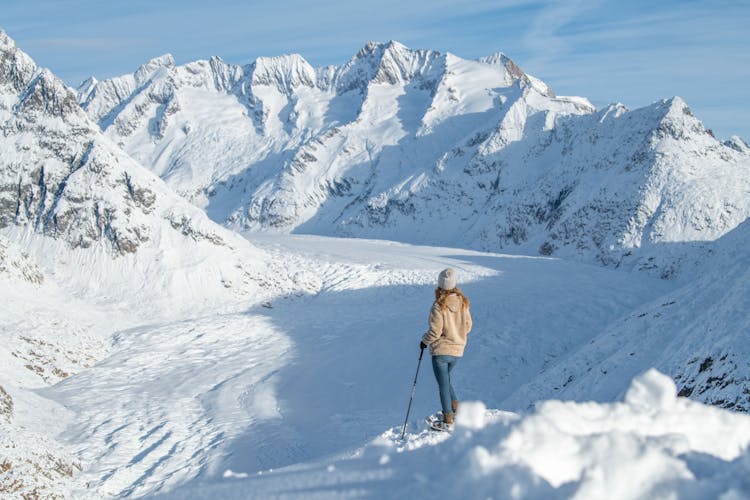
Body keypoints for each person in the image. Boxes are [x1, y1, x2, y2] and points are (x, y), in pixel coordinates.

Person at [420, 268, 472, 430]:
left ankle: (448, 419)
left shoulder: (438, 305)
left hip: (441, 351)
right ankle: (456, 408)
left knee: (442, 385)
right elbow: (468, 326)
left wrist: (424, 341)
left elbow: (435, 332)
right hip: (457, 351)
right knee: (446, 380)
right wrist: (458, 334)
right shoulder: (463, 302)